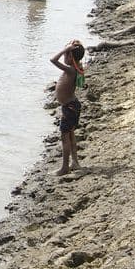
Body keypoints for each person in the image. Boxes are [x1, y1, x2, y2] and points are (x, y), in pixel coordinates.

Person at [50, 40, 86, 175]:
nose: (64, 57)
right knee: (70, 135)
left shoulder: (70, 69)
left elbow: (53, 60)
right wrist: (69, 49)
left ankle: (65, 167)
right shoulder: (74, 68)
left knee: (65, 137)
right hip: (71, 106)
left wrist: (65, 49)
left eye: (66, 55)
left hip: (69, 107)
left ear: (70, 57)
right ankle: (75, 162)